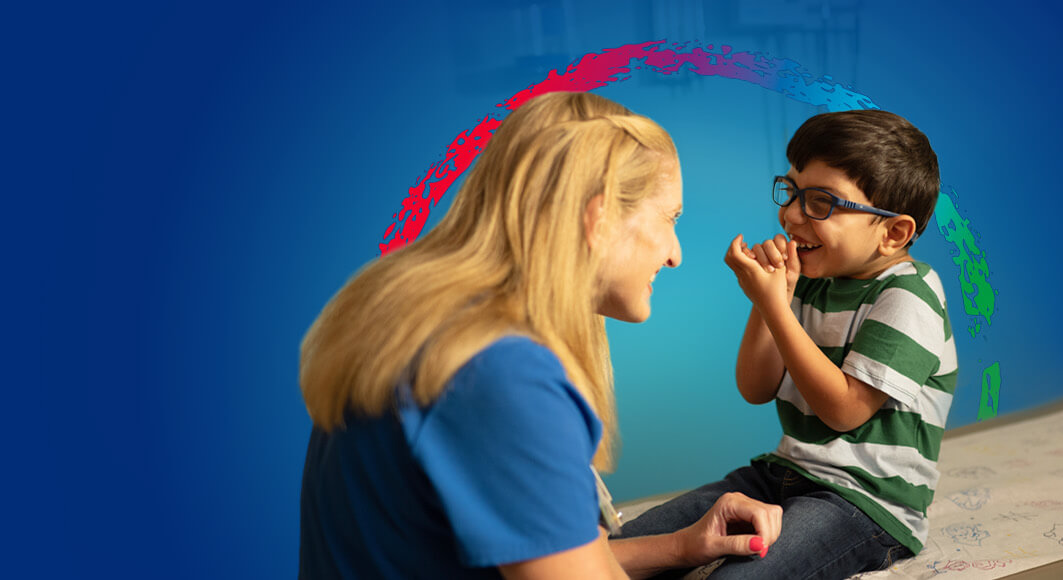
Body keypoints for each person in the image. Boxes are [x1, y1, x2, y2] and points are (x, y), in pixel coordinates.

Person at [297, 91, 783, 580]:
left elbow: (545, 558)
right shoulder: (501, 374)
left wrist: (681, 547)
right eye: (670, 217)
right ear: (600, 219)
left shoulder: (424, 327)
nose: (675, 253)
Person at [618, 109, 956, 579]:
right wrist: (769, 299)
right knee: (625, 546)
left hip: (864, 502)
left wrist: (776, 305)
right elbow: (756, 387)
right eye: (793, 191)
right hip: (781, 474)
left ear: (893, 233)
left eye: (822, 202)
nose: (792, 214)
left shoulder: (910, 295)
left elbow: (845, 411)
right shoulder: (811, 280)